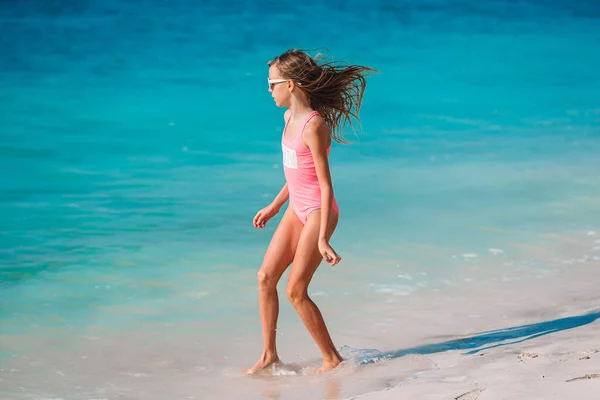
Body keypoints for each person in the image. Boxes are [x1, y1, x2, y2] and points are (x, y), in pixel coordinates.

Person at [246, 49, 375, 374]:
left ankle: (331, 359)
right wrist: (275, 205)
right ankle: (269, 355)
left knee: (295, 290)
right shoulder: (289, 118)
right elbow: (295, 174)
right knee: (265, 278)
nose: (268, 90)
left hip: (318, 211)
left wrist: (322, 239)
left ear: (290, 84)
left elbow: (324, 185)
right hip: (295, 207)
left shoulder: (313, 126)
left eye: (272, 83)